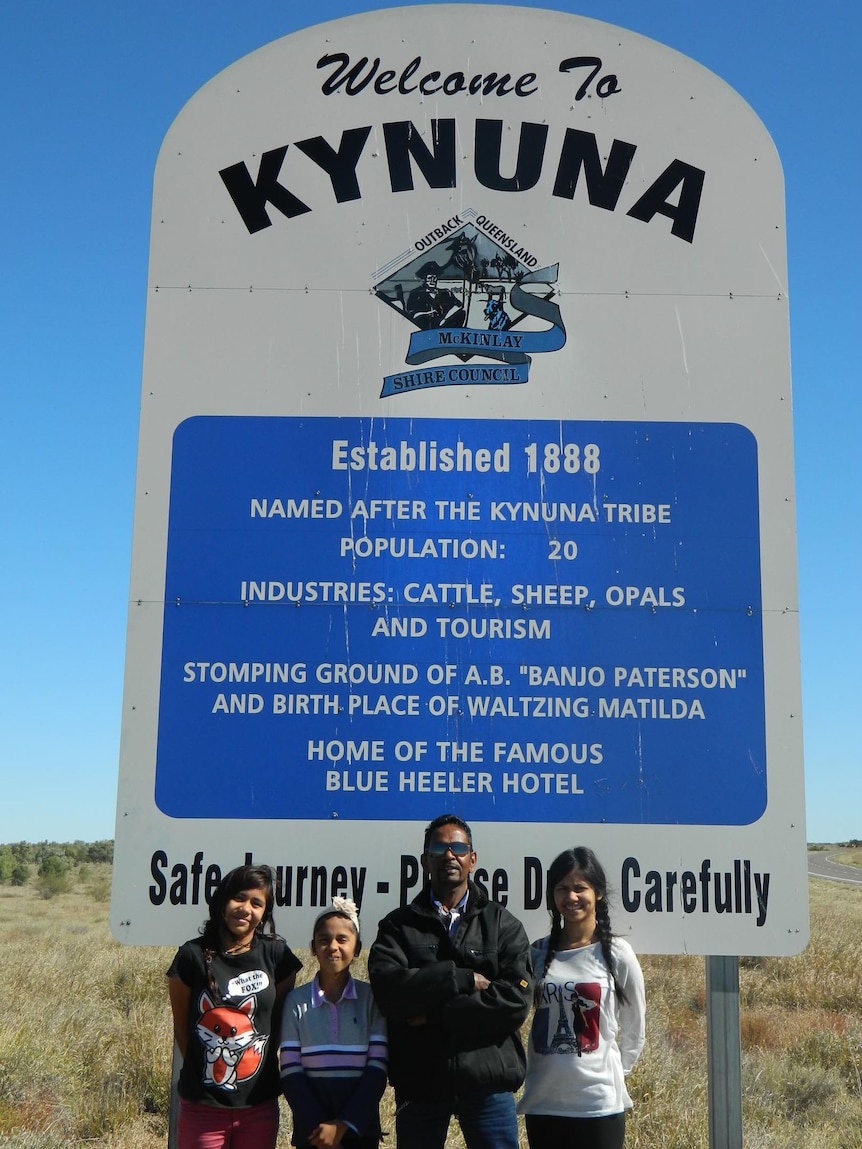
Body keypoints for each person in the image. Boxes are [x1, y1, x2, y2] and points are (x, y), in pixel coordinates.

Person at [368, 813, 533, 1149]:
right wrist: (460, 978)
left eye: (458, 847)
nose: (449, 855)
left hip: (488, 1083)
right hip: (420, 1082)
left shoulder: (503, 924)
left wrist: (434, 1014)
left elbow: (514, 1002)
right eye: (439, 847)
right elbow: (391, 993)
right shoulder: (398, 927)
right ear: (424, 860)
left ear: (472, 860)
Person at [166, 864, 302, 1149]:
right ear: (222, 901)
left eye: (257, 903)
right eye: (239, 898)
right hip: (203, 1106)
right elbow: (183, 1029)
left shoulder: (277, 956)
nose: (245, 909)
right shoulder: (191, 955)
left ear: (265, 912)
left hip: (258, 1104)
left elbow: (277, 1023)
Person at [518, 847, 646, 1149]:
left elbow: (634, 1029)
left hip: (598, 1105)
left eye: (580, 888)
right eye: (562, 888)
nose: (571, 896)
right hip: (543, 1103)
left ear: (598, 892)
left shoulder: (618, 955)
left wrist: (610, 1071)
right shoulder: (536, 953)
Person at [279, 897, 387, 1149]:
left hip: (360, 1130)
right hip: (313, 1132)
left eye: (342, 939)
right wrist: (322, 1129)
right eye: (324, 940)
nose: (333, 946)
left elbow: (377, 1069)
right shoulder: (296, 1001)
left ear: (358, 948)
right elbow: (291, 1071)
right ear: (313, 947)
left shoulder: (371, 999)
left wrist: (342, 1125)